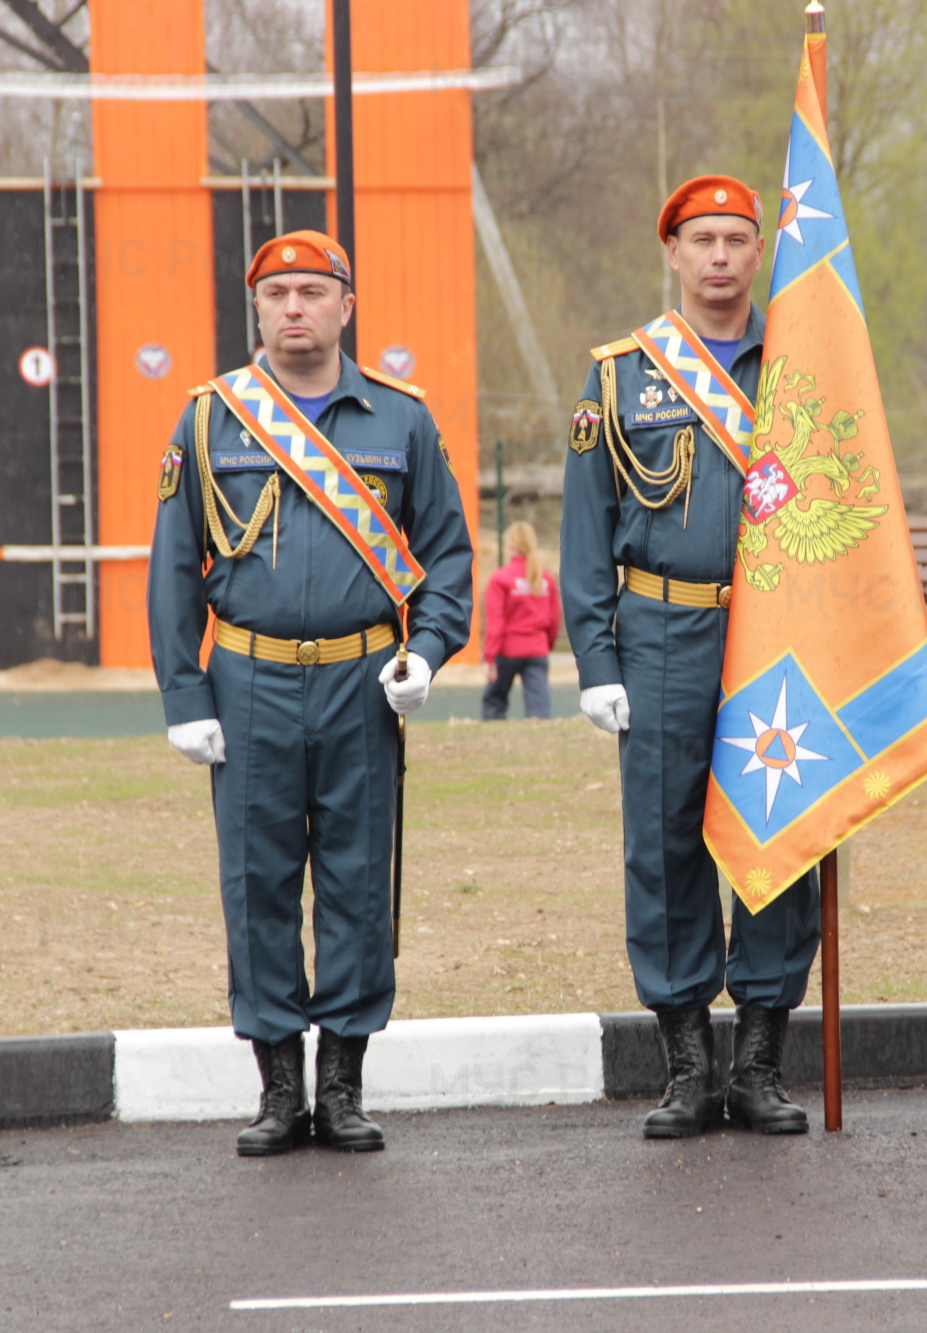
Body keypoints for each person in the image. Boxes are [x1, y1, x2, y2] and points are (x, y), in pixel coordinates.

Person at [147, 229, 473, 1156]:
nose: (295, 307)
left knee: (358, 881)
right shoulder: (211, 420)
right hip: (247, 680)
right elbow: (175, 568)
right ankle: (279, 1086)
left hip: (361, 681)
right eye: (278, 292)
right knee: (257, 883)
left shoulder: (401, 420)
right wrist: (186, 695)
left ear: (346, 305)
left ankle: (343, 1083)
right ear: (256, 307)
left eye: (312, 291)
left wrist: (429, 654)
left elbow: (447, 555)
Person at [561, 176, 821, 1139]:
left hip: (777, 640)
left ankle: (758, 1059)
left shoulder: (802, 362)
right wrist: (596, 660)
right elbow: (586, 534)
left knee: (778, 832)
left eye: (737, 239)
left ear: (761, 252)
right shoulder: (622, 375)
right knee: (666, 848)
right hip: (663, 636)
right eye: (701, 238)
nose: (720, 255)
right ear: (671, 251)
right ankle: (686, 1063)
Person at [481, 520, 562, 720]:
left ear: (509, 546)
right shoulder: (546, 579)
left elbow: (496, 623)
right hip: (537, 649)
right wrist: (545, 645)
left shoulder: (500, 579)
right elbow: (554, 620)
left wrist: (489, 656)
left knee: (494, 703)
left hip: (507, 651)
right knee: (539, 709)